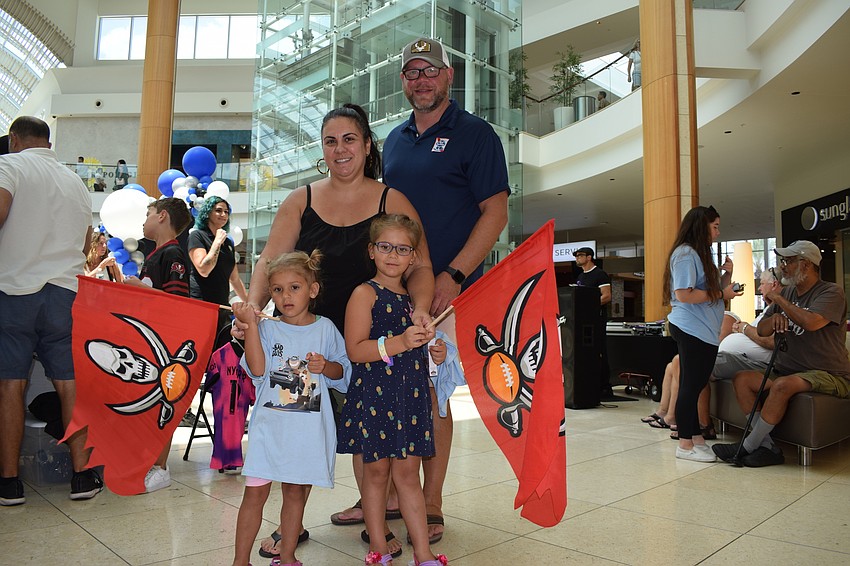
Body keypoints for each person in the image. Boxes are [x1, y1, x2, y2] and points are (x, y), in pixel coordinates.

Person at [238, 103, 435, 560]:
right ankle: (291, 531)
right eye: (331, 141)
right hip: (308, 342)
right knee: (298, 430)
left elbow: (422, 266)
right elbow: (270, 261)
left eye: (350, 139)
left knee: (372, 445)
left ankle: (378, 525)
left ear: (367, 146)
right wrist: (252, 309)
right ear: (322, 150)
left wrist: (419, 312)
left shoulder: (393, 201)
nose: (340, 149)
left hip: (372, 346)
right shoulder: (300, 200)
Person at [365, 36, 510, 543]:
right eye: (411, 73)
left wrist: (455, 274)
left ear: (449, 76)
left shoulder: (475, 134)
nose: (420, 80)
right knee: (385, 390)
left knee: (434, 396)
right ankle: (380, 495)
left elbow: (496, 213)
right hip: (390, 290)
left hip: (448, 290)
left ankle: (430, 500)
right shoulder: (395, 140)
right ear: (402, 82)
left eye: (430, 71)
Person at [0, 116, 102, 506]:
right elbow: (85, 241)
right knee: (69, 382)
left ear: (14, 139)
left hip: (15, 289)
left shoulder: (9, 165)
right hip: (65, 291)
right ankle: (82, 475)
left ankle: (9, 482)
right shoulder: (74, 181)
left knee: (12, 382)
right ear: (47, 141)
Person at [339, 214, 448, 566]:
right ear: (372, 250)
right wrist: (400, 342)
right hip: (373, 396)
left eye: (402, 249)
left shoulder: (415, 304)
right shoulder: (364, 293)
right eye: (385, 247)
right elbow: (356, 349)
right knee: (375, 474)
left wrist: (435, 352)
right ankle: (379, 547)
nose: (392, 255)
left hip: (408, 398)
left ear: (413, 257)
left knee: (407, 476)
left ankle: (422, 552)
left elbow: (419, 352)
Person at [231, 250, 350, 566]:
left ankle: (287, 557)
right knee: (254, 494)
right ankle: (239, 561)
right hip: (269, 432)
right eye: (277, 289)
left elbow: (344, 373)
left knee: (295, 494)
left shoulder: (325, 329)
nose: (285, 296)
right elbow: (257, 370)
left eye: (294, 287)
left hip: (306, 434)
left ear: (312, 290)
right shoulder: (268, 328)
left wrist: (326, 367)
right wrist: (252, 328)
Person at [713, 241, 850, 467]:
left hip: (829, 373)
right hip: (788, 369)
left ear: (805, 265)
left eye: (788, 261)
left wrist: (779, 300)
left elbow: (811, 322)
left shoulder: (831, 292)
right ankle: (767, 447)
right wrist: (774, 319)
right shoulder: (787, 292)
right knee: (742, 379)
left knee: (783, 385)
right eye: (783, 261)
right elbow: (762, 330)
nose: (783, 266)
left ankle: (746, 447)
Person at [644, 268, 784, 437]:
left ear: (774, 284)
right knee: (681, 362)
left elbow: (772, 342)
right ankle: (667, 413)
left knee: (693, 363)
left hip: (750, 361)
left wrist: (744, 328)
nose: (759, 289)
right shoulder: (769, 310)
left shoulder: (780, 310)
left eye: (761, 284)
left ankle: (701, 424)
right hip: (737, 358)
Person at [123, 198, 193, 491]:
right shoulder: (157, 255)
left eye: (148, 213)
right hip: (152, 341)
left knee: (161, 403)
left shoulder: (173, 254)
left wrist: (138, 289)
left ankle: (161, 467)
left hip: (165, 344)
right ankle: (149, 461)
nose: (144, 220)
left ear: (162, 216)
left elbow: (177, 302)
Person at [663, 205, 741, 463]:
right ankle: (685, 443)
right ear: (701, 225)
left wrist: (726, 276)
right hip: (691, 328)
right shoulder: (686, 254)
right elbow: (684, 294)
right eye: (715, 226)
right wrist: (722, 293)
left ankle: (695, 436)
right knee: (691, 386)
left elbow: (706, 290)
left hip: (702, 330)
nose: (718, 232)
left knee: (695, 385)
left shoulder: (698, 253)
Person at [188, 195, 248, 349]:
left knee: (222, 350)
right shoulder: (197, 236)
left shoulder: (228, 242)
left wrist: (249, 302)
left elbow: (234, 278)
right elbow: (203, 269)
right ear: (208, 213)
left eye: (226, 212)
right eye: (218, 211)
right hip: (201, 305)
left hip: (221, 307)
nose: (223, 215)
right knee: (201, 350)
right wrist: (216, 243)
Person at [574, 247, 613, 398]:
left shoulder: (599, 274)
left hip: (596, 319)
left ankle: (604, 385)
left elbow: (607, 296)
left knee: (599, 351)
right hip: (582, 320)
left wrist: (588, 304)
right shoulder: (581, 276)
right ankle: (588, 382)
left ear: (589, 257)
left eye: (580, 255)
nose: (577, 258)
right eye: (576, 256)